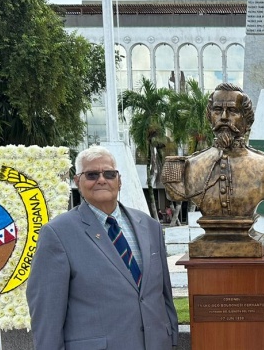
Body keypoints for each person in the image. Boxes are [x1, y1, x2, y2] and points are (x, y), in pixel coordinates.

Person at [27, 146, 179, 349]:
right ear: (77, 182)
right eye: (91, 174)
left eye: (109, 173)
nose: (101, 179)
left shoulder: (149, 226)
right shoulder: (57, 234)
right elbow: (46, 316)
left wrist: (173, 340)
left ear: (119, 180)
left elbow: (164, 295)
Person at [162, 82, 264, 257]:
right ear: (210, 116)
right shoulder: (187, 166)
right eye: (217, 110)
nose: (224, 117)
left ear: (246, 119)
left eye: (232, 111)